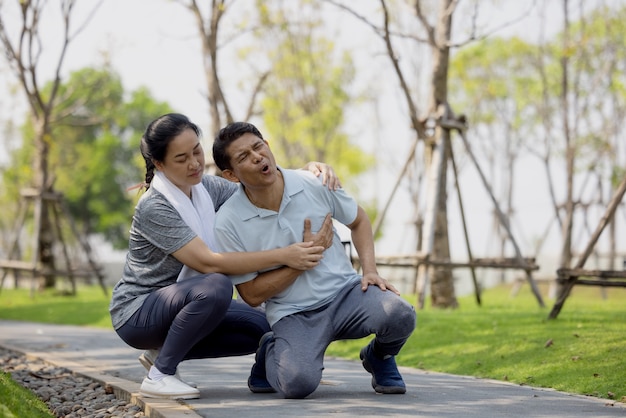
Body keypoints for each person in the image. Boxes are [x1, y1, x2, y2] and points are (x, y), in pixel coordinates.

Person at [108, 113, 339, 400]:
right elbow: (207, 262)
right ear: (159, 164)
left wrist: (304, 174)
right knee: (217, 284)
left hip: (185, 304)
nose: (194, 163)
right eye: (181, 158)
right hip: (138, 312)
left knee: (265, 325)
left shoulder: (208, 188)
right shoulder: (154, 207)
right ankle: (161, 375)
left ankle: (162, 353)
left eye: (196, 150)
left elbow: (260, 187)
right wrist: (286, 255)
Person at [212, 121, 417, 399]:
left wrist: (370, 270)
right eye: (243, 157)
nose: (257, 156)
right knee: (297, 384)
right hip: (293, 313)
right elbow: (250, 294)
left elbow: (359, 220)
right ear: (231, 175)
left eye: (258, 147)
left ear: (268, 146)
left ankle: (379, 356)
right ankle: (270, 350)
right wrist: (299, 261)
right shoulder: (228, 222)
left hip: (346, 294)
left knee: (400, 314)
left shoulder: (314, 181)